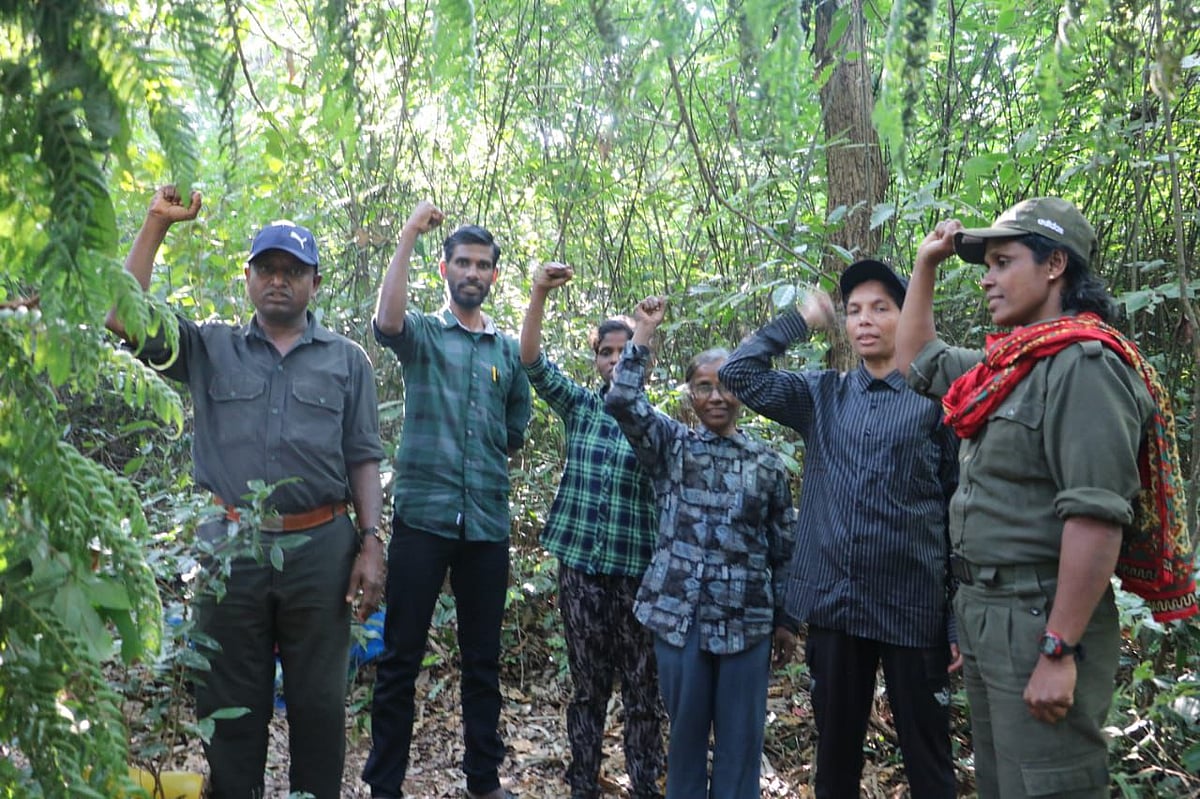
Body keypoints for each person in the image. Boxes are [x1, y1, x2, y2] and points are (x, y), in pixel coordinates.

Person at [105, 186, 386, 798]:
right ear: (249, 278)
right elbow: (121, 315)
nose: (278, 281)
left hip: (322, 549)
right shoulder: (210, 349)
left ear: (314, 282)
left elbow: (364, 455)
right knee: (231, 705)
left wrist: (370, 542)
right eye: (267, 269)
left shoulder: (347, 361)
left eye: (293, 271)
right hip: (228, 548)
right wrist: (155, 222)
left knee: (318, 707)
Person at [894, 198, 1159, 798]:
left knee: (1048, 784)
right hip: (987, 610)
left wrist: (1058, 650)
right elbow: (915, 362)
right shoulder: (1008, 366)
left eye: (1002, 261)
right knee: (1003, 784)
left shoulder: (1085, 366)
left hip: (1039, 615)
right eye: (985, 264)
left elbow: (1095, 518)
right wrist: (925, 264)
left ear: (1054, 265)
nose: (987, 278)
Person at [718, 259, 961, 798]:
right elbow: (738, 374)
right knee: (835, 761)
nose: (865, 320)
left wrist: (953, 620)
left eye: (881, 308)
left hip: (913, 609)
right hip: (835, 605)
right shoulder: (821, 395)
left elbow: (954, 511)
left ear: (908, 314)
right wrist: (800, 321)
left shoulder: (937, 402)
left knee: (930, 760)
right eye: (854, 311)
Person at [363, 201, 531, 799]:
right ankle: (385, 785)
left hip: (486, 526)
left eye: (483, 265)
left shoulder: (508, 354)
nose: (473, 273)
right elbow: (386, 321)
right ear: (445, 270)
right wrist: (408, 230)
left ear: (493, 277)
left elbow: (514, 434)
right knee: (401, 657)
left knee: (482, 664)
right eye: (462, 262)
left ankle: (483, 782)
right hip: (423, 519)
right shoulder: (426, 336)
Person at [605, 297, 797, 799]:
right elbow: (623, 401)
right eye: (704, 387)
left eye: (727, 385)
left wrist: (786, 621)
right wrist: (643, 332)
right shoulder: (670, 446)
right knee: (686, 740)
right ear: (690, 394)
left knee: (741, 745)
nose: (716, 397)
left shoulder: (767, 462)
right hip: (678, 618)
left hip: (748, 622)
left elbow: (784, 547)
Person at [518, 262, 664, 799]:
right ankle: (583, 783)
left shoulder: (655, 423)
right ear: (596, 357)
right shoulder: (580, 407)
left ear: (641, 359)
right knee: (588, 687)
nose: (614, 360)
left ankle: (644, 782)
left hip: (636, 574)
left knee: (643, 689)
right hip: (581, 568)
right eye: (606, 352)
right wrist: (538, 294)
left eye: (625, 352)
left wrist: (643, 332)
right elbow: (531, 362)